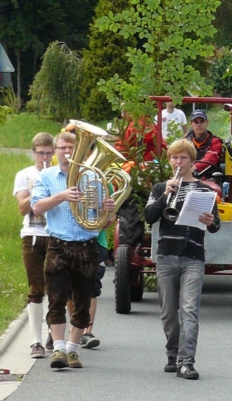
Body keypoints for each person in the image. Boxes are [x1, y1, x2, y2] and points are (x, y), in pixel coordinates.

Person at [31, 131, 116, 370]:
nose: (67, 152)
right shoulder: (47, 176)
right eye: (63, 148)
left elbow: (106, 221)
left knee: (82, 302)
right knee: (56, 299)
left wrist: (108, 209)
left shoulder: (93, 176)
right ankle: (58, 349)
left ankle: (72, 349)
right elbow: (36, 207)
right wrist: (62, 196)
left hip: (87, 246)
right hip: (58, 245)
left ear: (80, 150)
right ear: (55, 151)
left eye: (71, 147)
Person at [144, 139, 221, 380]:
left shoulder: (205, 191)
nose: (179, 162)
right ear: (170, 161)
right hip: (166, 255)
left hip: (193, 257)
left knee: (189, 310)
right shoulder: (160, 187)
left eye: (183, 158)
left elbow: (216, 226)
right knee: (168, 312)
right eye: (175, 158)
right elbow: (149, 216)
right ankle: (172, 353)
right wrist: (164, 195)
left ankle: (186, 361)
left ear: (192, 161)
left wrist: (211, 221)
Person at [13, 132, 54, 358]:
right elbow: (22, 208)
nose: (44, 158)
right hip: (32, 234)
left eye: (48, 153)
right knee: (36, 288)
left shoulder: (59, 174)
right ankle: (35, 341)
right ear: (34, 153)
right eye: (41, 153)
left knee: (56, 288)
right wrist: (38, 189)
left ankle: (54, 333)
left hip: (55, 234)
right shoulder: (24, 175)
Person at [184, 109, 223, 177]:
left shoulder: (215, 141)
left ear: (207, 122)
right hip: (189, 176)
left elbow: (211, 158)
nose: (199, 125)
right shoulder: (184, 142)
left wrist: (193, 169)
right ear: (191, 124)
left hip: (211, 178)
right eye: (196, 122)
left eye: (202, 121)